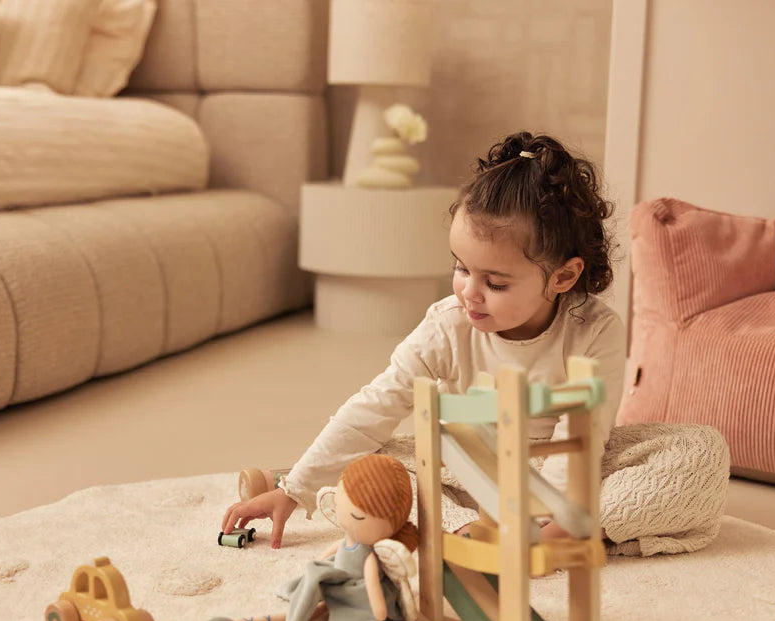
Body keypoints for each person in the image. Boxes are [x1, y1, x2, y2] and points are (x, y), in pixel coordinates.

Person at [222, 131, 627, 549]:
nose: (469, 292)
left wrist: (550, 517)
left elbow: (585, 438)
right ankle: (296, 482)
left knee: (694, 457)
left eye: (496, 283)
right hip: (466, 473)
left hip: (560, 474)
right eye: (461, 268)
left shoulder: (595, 333)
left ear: (563, 276)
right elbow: (376, 405)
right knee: (383, 464)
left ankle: (502, 534)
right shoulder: (447, 326)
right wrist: (295, 490)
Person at [207, 454, 419, 621]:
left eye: (355, 515)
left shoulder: (370, 559)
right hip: (332, 584)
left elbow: (374, 590)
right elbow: (327, 555)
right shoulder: (348, 541)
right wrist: (314, 567)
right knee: (311, 613)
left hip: (352, 596)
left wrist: (379, 610)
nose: (340, 513)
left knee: (316, 618)